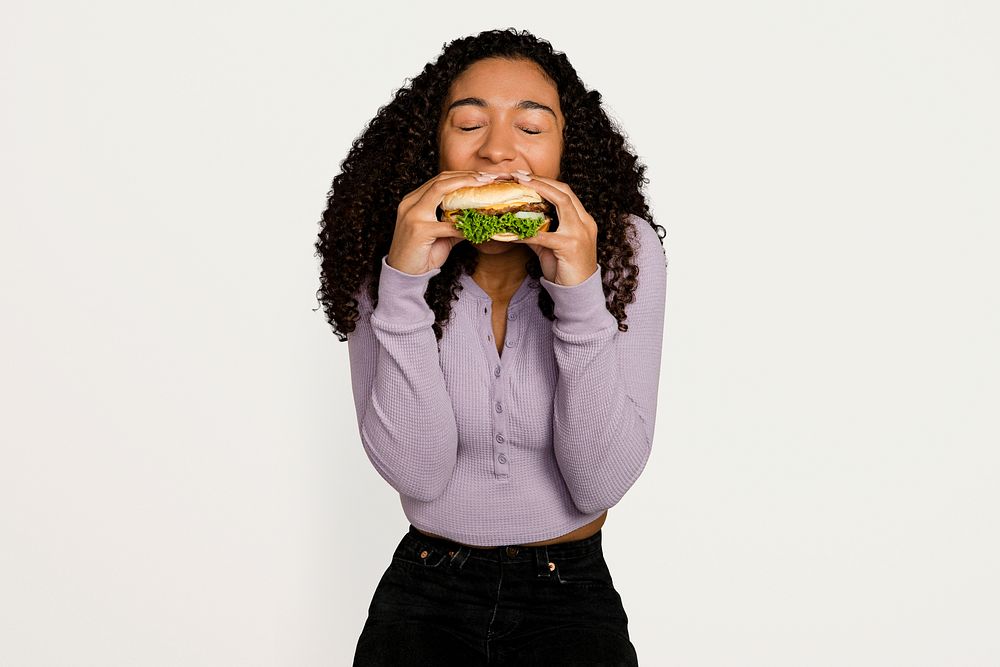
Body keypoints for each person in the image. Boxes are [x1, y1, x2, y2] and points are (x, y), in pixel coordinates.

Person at [315, 27, 667, 666]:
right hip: (423, 599)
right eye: (470, 124)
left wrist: (581, 293)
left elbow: (601, 482)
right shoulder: (385, 249)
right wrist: (401, 286)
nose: (499, 152)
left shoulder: (622, 249)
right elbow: (416, 472)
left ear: (568, 150)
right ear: (435, 144)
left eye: (531, 130)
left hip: (570, 598)